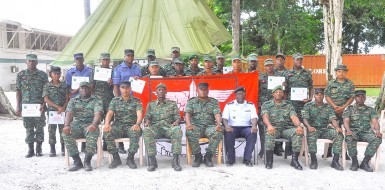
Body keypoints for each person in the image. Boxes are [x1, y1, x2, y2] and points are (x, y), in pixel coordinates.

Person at [62, 82, 103, 171]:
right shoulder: (73, 101)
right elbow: (69, 113)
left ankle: (87, 161)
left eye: (86, 88)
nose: (84, 90)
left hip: (90, 124)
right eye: (82, 88)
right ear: (79, 89)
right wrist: (66, 125)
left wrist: (94, 124)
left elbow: (98, 113)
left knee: (92, 132)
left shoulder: (96, 100)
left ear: (90, 90)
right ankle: (77, 161)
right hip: (77, 124)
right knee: (66, 133)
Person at [262, 85, 304, 170]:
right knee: (269, 133)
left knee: (298, 132)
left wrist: (299, 126)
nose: (278, 94)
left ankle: (294, 160)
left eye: (280, 92)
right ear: (273, 94)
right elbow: (265, 117)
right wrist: (269, 126)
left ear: (283, 94)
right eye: (276, 92)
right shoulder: (267, 104)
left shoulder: (288, 105)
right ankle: (269, 161)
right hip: (274, 129)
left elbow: (293, 116)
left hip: (286, 129)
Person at [103, 81, 143, 169]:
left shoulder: (136, 101)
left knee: (136, 132)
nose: (125, 90)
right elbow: (110, 113)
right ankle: (116, 158)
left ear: (130, 89)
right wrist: (106, 124)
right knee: (107, 132)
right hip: (118, 126)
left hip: (131, 126)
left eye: (127, 87)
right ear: (120, 89)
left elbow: (140, 114)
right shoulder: (115, 100)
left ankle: (130, 158)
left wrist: (137, 124)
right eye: (123, 87)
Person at [302, 88, 344, 170]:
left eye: (321, 94)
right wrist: (309, 126)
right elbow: (304, 118)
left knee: (339, 135)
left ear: (323, 96)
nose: (319, 96)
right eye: (317, 94)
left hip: (325, 129)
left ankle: (335, 161)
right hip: (313, 129)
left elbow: (332, 119)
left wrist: (337, 127)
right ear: (314, 95)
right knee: (311, 135)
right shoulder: (308, 106)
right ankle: (314, 160)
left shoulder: (328, 107)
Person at [143, 83, 183, 171]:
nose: (161, 91)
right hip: (156, 128)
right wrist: (147, 121)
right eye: (159, 90)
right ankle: (152, 161)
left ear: (166, 91)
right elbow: (147, 116)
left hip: (168, 127)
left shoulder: (172, 104)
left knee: (177, 131)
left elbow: (177, 116)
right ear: (156, 92)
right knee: (146, 131)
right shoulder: (151, 104)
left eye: (163, 90)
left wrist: (176, 121)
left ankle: (175, 161)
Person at [16, 54, 49, 158]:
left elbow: (46, 91)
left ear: (37, 62)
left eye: (34, 61)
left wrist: (44, 104)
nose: (31, 62)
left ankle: (39, 149)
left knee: (40, 128)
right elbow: (18, 91)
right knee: (29, 128)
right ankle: (30, 150)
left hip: (39, 106)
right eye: (29, 61)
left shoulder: (43, 75)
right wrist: (18, 106)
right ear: (26, 62)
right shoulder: (20, 75)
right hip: (26, 107)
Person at [343, 90, 382, 172]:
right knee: (349, 137)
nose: (360, 98)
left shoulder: (370, 110)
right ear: (355, 98)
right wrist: (348, 130)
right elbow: (346, 121)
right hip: (353, 132)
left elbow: (375, 121)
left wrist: (377, 130)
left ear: (365, 98)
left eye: (362, 96)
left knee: (377, 138)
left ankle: (365, 162)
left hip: (366, 132)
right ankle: (354, 161)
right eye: (358, 96)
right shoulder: (349, 109)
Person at [185, 82, 223, 167]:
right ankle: (198, 156)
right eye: (201, 90)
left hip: (209, 127)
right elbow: (187, 113)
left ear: (208, 91)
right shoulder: (192, 101)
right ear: (197, 91)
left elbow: (217, 113)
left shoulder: (213, 102)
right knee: (190, 131)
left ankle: (208, 156)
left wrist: (219, 124)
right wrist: (189, 124)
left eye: (205, 90)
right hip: (196, 126)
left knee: (218, 131)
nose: (203, 92)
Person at [222, 86, 258, 166]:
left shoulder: (250, 105)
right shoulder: (229, 105)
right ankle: (231, 159)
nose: (240, 95)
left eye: (242, 93)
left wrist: (254, 126)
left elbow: (254, 117)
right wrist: (227, 126)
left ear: (245, 94)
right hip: (233, 128)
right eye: (238, 94)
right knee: (228, 133)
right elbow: (224, 118)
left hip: (246, 128)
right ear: (235, 95)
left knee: (252, 133)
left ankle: (247, 159)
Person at [285, 53, 313, 156]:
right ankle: (289, 149)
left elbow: (311, 87)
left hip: (303, 104)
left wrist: (310, 98)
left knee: (304, 124)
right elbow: (285, 90)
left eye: (301, 60)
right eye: (297, 59)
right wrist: (285, 102)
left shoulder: (307, 73)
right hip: (291, 104)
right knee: (290, 124)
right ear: (293, 60)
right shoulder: (288, 73)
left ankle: (304, 149)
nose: (299, 61)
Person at [325, 64, 355, 158]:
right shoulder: (331, 83)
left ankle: (344, 152)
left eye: (343, 71)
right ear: (336, 72)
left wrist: (343, 107)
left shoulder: (350, 83)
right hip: (332, 110)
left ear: (346, 72)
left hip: (345, 110)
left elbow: (352, 97)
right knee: (332, 129)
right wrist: (334, 106)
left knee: (345, 129)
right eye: (339, 71)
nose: (341, 73)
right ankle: (329, 150)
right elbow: (327, 96)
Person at [43, 66, 69, 157]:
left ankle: (63, 148)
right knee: (51, 130)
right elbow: (46, 99)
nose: (57, 75)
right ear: (51, 74)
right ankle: (52, 149)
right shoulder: (47, 85)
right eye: (55, 74)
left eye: (58, 73)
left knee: (63, 130)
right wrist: (58, 107)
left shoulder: (64, 85)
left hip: (62, 112)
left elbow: (67, 98)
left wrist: (63, 108)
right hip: (52, 112)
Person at [92, 53, 114, 151]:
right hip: (97, 100)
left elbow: (116, 86)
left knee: (108, 121)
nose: (105, 61)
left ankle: (106, 142)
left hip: (109, 100)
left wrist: (112, 83)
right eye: (104, 60)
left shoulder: (112, 72)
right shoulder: (95, 71)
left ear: (109, 61)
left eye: (107, 60)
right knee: (96, 121)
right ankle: (96, 143)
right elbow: (91, 86)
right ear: (101, 60)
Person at [258, 58, 279, 157]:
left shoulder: (279, 77)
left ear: (273, 66)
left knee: (275, 126)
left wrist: (284, 85)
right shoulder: (260, 77)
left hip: (275, 107)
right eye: (267, 65)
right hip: (263, 106)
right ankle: (263, 149)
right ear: (265, 67)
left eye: (271, 65)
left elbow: (283, 92)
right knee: (262, 128)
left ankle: (274, 149)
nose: (269, 67)